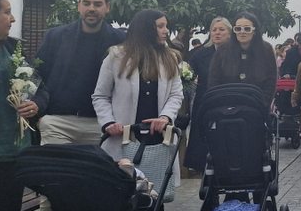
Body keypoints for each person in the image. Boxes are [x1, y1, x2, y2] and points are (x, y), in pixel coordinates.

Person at [31, 0, 125, 211]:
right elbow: (36, 74)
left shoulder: (120, 40)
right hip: (58, 122)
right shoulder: (56, 35)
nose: (91, 8)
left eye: (97, 4)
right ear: (78, 5)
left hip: (100, 126)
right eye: (86, 3)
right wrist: (41, 115)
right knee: (52, 188)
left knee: (97, 190)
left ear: (107, 7)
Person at [92, 9, 183, 161]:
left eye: (166, 26)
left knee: (158, 182)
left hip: (158, 139)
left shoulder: (170, 58)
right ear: (146, 28)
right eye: (160, 26)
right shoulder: (116, 56)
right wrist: (109, 122)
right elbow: (101, 95)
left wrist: (165, 117)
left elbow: (176, 94)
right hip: (123, 137)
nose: (166, 31)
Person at [0, 0, 37, 211]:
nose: (13, 19)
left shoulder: (13, 48)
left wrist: (34, 105)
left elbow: (39, 85)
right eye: (7, 12)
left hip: (14, 151)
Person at [183, 17, 232, 172]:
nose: (217, 33)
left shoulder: (237, 53)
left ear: (230, 33)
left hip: (230, 103)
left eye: (221, 30)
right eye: (214, 30)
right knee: (204, 146)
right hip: (205, 103)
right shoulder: (200, 54)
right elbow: (189, 74)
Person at [207, 12, 278, 107]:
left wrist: (263, 103)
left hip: (256, 107)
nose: (242, 32)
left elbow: (271, 81)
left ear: (255, 31)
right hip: (225, 108)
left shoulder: (266, 50)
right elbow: (214, 80)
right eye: (238, 29)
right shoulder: (222, 50)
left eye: (247, 29)